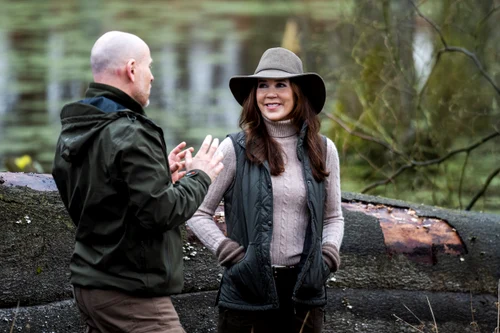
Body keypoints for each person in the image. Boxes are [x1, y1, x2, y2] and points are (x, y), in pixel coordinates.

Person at [52, 31, 224, 333]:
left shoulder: (77, 128)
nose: (153, 76)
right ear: (132, 69)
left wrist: (158, 175)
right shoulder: (132, 132)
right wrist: (200, 175)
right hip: (130, 294)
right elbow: (160, 213)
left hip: (90, 284)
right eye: (149, 66)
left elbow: (102, 201)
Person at [187, 47, 344, 332]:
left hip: (305, 296)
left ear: (298, 92)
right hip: (247, 296)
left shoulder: (324, 149)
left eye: (281, 85)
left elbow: (334, 217)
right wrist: (230, 254)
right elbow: (197, 212)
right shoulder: (235, 148)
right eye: (263, 85)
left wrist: (328, 257)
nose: (270, 93)